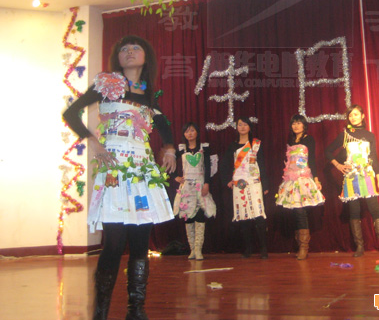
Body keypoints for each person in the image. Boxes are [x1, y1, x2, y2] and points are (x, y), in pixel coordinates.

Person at [62, 35, 176, 320]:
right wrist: (94, 142)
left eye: (135, 48)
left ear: (146, 56)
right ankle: (100, 312)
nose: (129, 52)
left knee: (140, 243)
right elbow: (71, 113)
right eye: (124, 49)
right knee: (113, 242)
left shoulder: (148, 93)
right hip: (114, 167)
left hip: (141, 170)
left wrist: (170, 147)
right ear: (118, 57)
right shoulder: (106, 85)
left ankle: (135, 310)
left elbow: (162, 122)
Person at [325, 105, 379, 257]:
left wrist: (378, 180)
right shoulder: (344, 135)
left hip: (367, 176)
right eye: (350, 115)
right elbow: (328, 151)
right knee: (354, 212)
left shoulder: (369, 135)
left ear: (362, 116)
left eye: (356, 114)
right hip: (351, 177)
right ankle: (359, 247)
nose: (353, 117)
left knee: (375, 210)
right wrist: (338, 165)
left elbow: (374, 158)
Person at [275, 114, 325, 259]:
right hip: (290, 179)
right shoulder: (290, 141)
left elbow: (312, 160)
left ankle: (304, 248)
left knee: (301, 211)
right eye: (293, 123)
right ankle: (299, 245)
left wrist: (316, 179)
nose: (296, 126)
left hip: (303, 178)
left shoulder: (309, 139)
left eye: (298, 123)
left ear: (304, 125)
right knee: (295, 211)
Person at [220, 117, 269, 258]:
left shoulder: (256, 144)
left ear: (250, 127)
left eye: (245, 124)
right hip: (239, 184)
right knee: (243, 216)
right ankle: (248, 248)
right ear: (236, 127)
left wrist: (265, 184)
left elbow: (262, 164)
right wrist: (227, 181)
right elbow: (224, 165)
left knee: (258, 214)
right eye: (239, 124)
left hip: (254, 182)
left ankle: (263, 249)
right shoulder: (233, 146)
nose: (242, 127)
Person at [173, 122, 216, 261]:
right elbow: (169, 163)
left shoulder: (204, 148)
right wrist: (175, 177)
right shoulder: (181, 149)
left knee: (200, 215)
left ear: (197, 132)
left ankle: (198, 249)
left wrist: (207, 183)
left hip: (200, 184)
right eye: (187, 131)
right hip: (186, 187)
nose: (190, 133)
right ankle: (192, 249)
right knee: (188, 216)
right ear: (184, 134)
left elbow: (208, 167)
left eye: (192, 130)